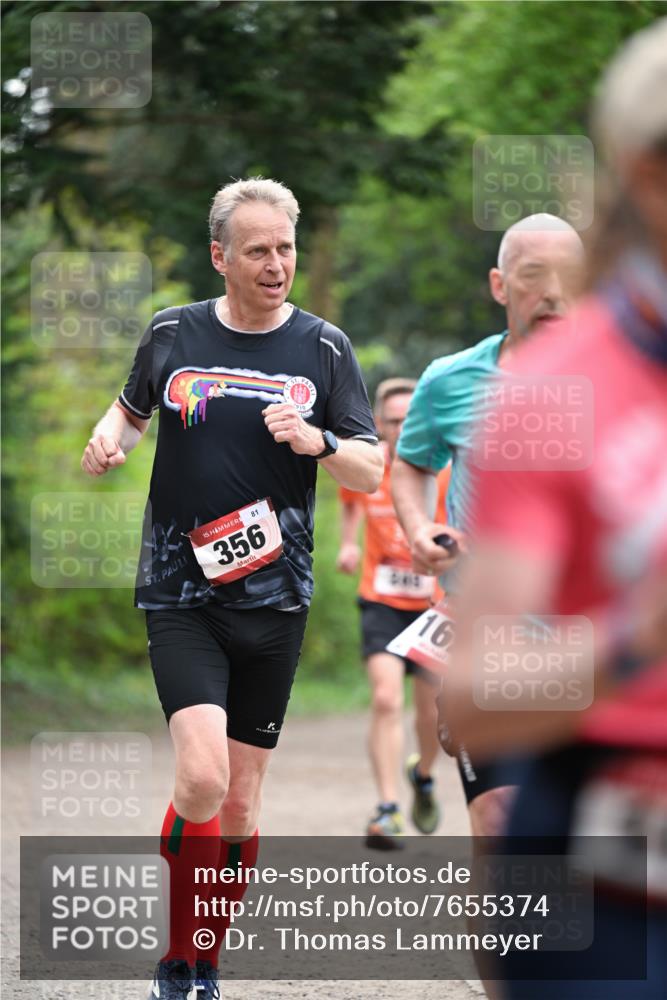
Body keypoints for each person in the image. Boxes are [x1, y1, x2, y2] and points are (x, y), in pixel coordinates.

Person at [81, 177, 383, 1000]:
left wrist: (317, 439)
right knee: (204, 778)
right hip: (181, 594)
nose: (275, 263)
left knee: (243, 802)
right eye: (257, 250)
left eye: (284, 247)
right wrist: (107, 440)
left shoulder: (323, 348)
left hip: (276, 602)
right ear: (221, 257)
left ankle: (203, 953)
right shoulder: (172, 332)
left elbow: (370, 462)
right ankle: (179, 964)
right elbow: (128, 412)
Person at [440, 18, 667, 997]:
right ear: (649, 175)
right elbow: (478, 699)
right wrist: (636, 633)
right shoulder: (548, 393)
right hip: (613, 847)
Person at [391, 214, 584, 837]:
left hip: (594, 644)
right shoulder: (450, 381)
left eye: (570, 276)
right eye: (534, 276)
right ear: (501, 285)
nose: (553, 291)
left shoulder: (630, 378)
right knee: (498, 822)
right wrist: (420, 528)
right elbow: (412, 465)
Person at [336, 378, 450, 848]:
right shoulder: (368, 463)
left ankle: (422, 774)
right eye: (394, 420)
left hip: (434, 606)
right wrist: (347, 542)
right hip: (380, 598)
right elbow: (351, 503)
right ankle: (387, 808)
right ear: (379, 423)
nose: (402, 428)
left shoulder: (442, 468)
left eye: (410, 419)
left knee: (431, 716)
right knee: (386, 699)